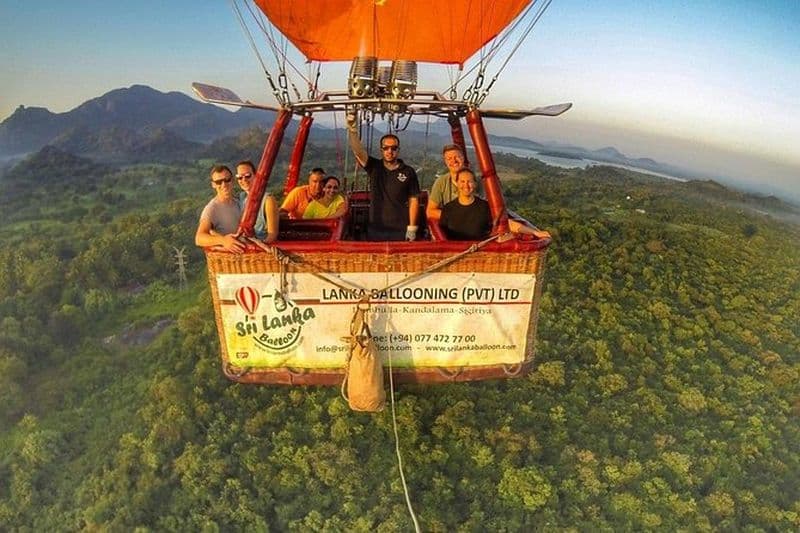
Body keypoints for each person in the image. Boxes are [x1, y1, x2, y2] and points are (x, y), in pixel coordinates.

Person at [346, 115, 420, 241]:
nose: (390, 151)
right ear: (381, 150)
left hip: (400, 228)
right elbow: (358, 151)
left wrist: (412, 227)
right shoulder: (374, 167)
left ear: (398, 150)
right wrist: (352, 128)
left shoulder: (408, 172)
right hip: (376, 228)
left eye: (393, 148)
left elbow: (413, 200)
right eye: (386, 148)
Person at [439, 168, 550, 241]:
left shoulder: (484, 207)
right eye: (462, 181)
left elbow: (508, 223)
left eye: (470, 181)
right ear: (457, 184)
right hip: (454, 257)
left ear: (475, 184)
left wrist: (535, 232)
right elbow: (441, 235)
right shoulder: (448, 208)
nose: (466, 185)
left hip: (479, 256)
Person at [195, 164, 245, 253]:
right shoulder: (212, 208)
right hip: (230, 261)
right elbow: (199, 238)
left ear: (232, 180)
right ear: (213, 184)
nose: (224, 184)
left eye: (227, 180)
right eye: (219, 182)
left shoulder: (239, 202)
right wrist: (223, 240)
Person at [426, 144, 475, 220]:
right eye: (449, 158)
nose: (454, 161)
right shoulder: (441, 182)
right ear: (445, 162)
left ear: (463, 158)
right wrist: (455, 217)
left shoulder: (478, 181)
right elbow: (430, 211)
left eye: (457, 157)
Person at [236, 160, 279, 242]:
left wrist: (259, 249)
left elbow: (272, 235)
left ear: (255, 176)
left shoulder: (268, 200)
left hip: (260, 247)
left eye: (248, 176)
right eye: (239, 177)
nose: (244, 180)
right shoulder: (241, 198)